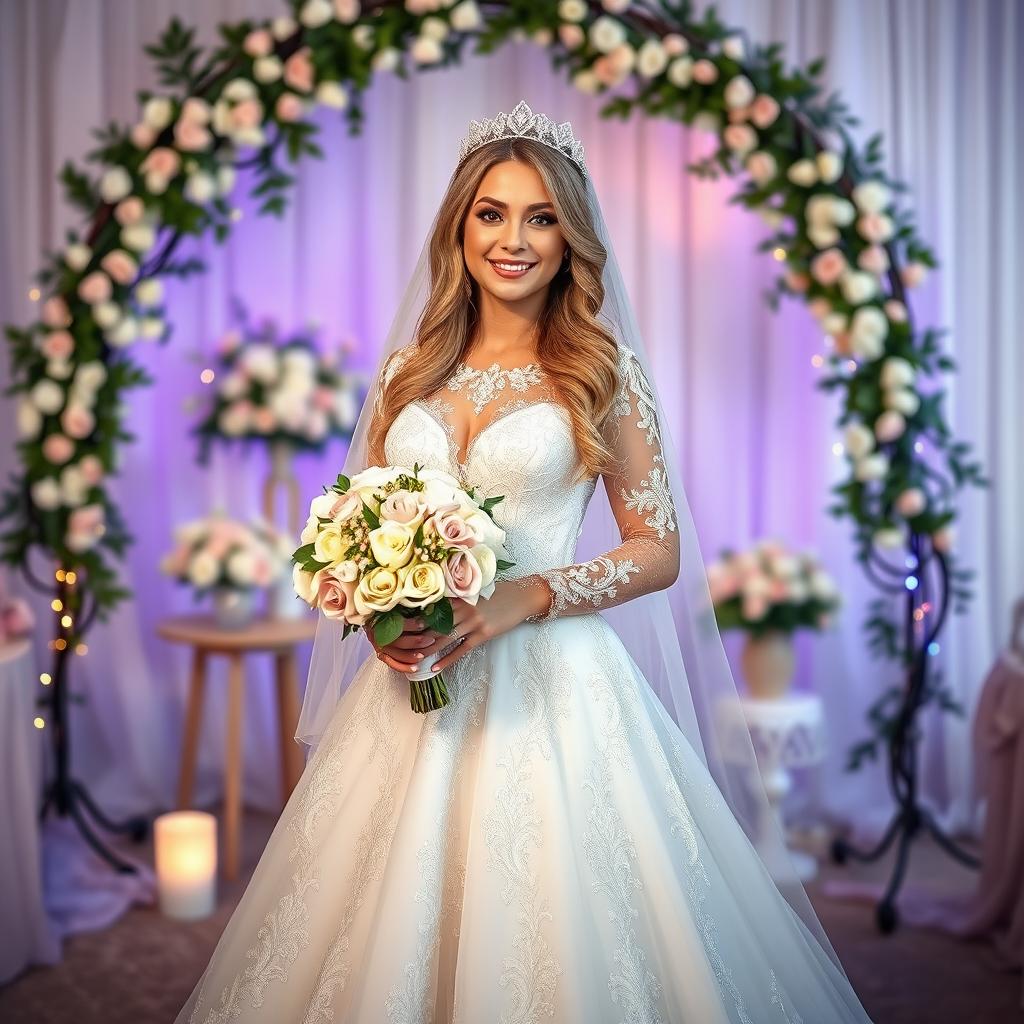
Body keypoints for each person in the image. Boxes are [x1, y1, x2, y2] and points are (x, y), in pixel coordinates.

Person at [176, 101, 874, 1023]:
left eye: (542, 217)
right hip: (411, 695)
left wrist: (528, 594)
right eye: (492, 213)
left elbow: (657, 551)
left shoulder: (600, 369)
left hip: (556, 689)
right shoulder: (405, 375)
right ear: (459, 226)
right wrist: (380, 612)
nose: (515, 239)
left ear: (570, 236)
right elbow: (375, 524)